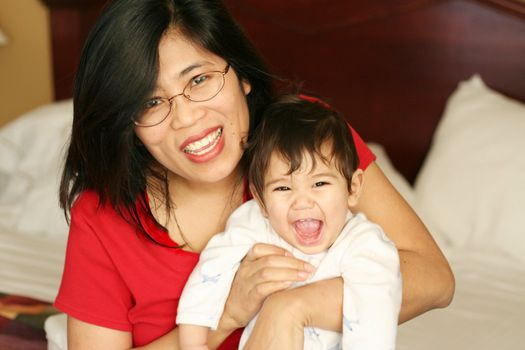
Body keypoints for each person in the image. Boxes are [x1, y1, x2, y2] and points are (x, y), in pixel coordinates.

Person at [55, 0, 454, 349]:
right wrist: (226, 315)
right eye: (151, 102)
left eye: (200, 79)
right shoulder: (102, 215)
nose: (188, 117)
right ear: (129, 122)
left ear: (242, 75)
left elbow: (435, 278)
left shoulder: (305, 136)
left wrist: (292, 308)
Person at [177, 95, 403, 350]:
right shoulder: (256, 223)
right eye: (283, 188)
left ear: (353, 187)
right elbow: (211, 272)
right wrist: (193, 343)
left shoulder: (366, 246)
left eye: (319, 184)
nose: (302, 202)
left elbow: (374, 322)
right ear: (261, 199)